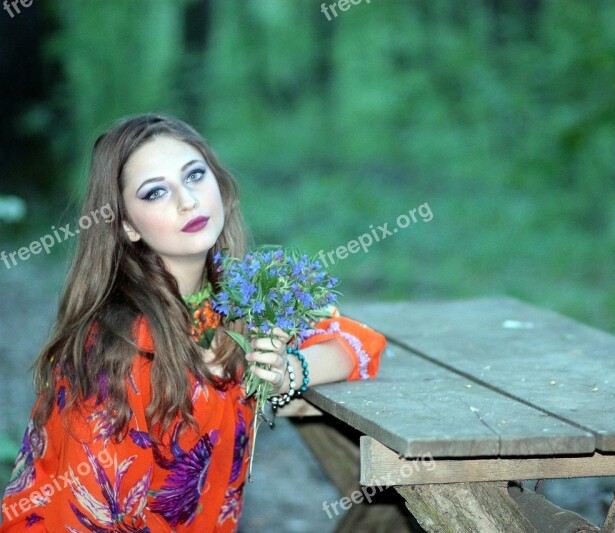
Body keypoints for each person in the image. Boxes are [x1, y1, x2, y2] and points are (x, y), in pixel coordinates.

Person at [0, 114, 386, 531]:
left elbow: (361, 343)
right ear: (127, 225)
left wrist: (287, 372)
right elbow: (94, 516)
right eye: (155, 193)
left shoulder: (236, 303)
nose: (187, 201)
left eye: (195, 175)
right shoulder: (117, 346)